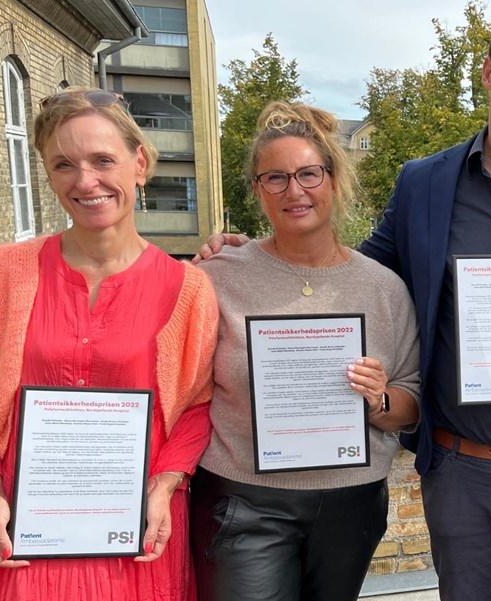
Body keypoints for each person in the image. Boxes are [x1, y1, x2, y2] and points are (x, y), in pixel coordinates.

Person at [201, 8, 491, 599]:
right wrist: (256, 256)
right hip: (462, 468)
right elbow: (350, 272)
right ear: (488, 73)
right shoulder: (424, 185)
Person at [188, 101, 421, 601]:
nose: (294, 191)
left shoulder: (383, 288)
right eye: (275, 178)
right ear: (257, 190)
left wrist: (379, 399)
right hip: (244, 503)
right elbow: (184, 387)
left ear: (333, 180)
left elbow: (410, 404)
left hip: (350, 504)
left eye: (308, 174)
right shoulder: (216, 278)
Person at [0, 87, 217, 600]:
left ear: (140, 163)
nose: (86, 181)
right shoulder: (2, 273)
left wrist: (165, 486)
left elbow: (199, 406)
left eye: (103, 160)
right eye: (64, 164)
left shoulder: (188, 289)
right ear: (47, 177)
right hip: (18, 537)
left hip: (137, 535)